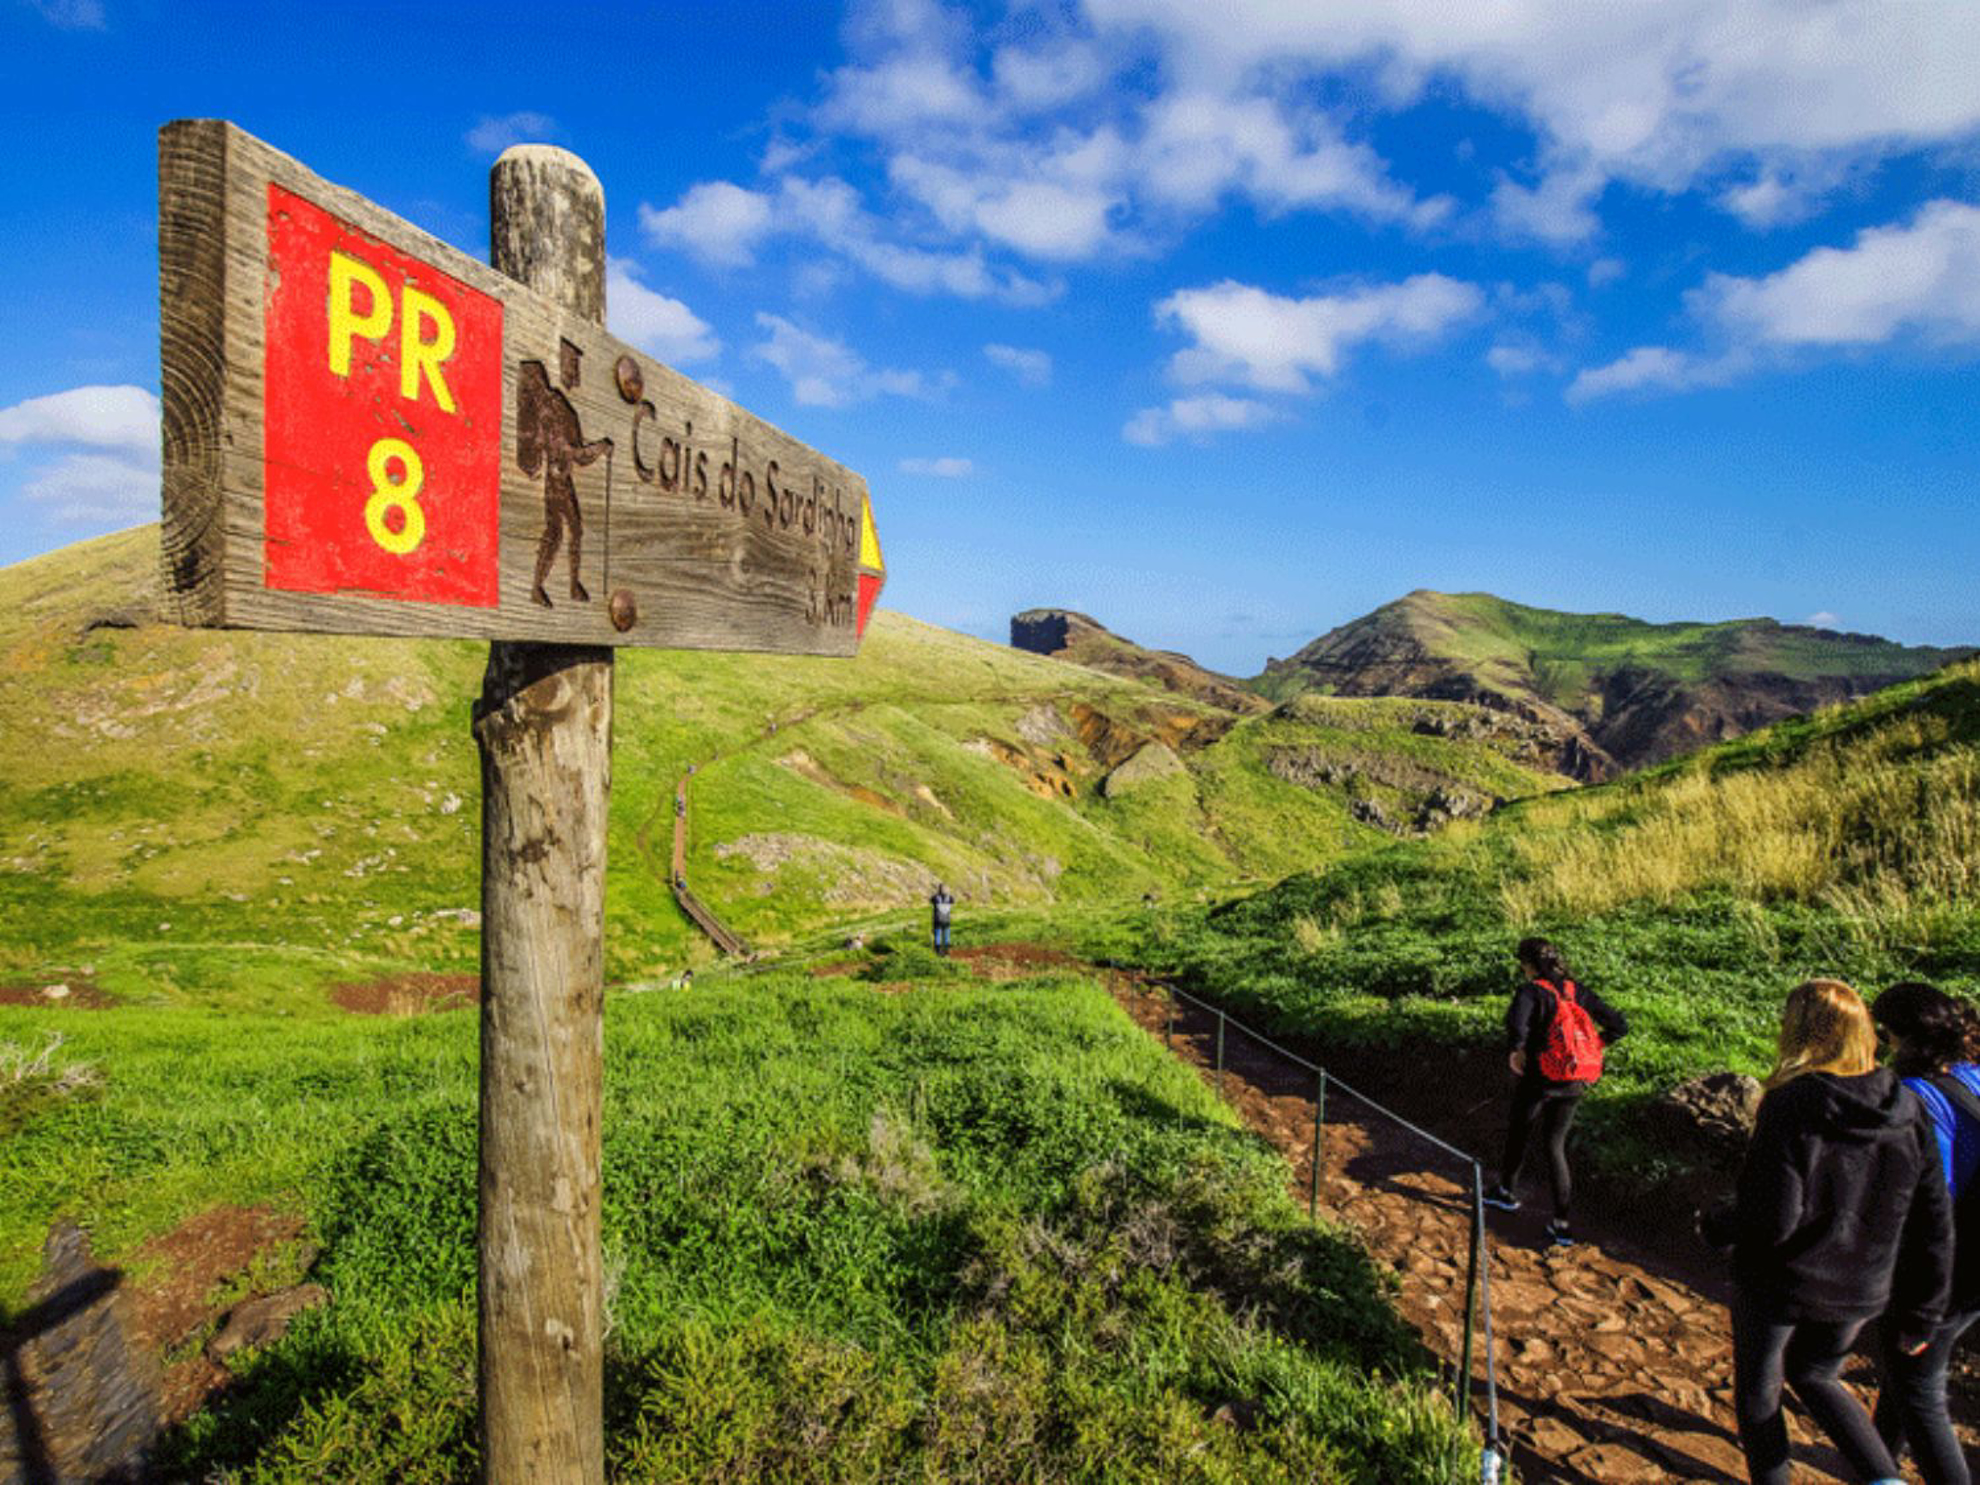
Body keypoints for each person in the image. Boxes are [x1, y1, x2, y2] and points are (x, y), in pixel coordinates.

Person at [1699, 979, 1951, 1485]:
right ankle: (1886, 1479)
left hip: (1783, 1282)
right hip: (1863, 1286)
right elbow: (1933, 1217)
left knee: (1759, 1396)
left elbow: (1774, 1219)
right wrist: (1925, 1311)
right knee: (1818, 1374)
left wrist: (1719, 1225)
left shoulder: (1792, 1104)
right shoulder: (1906, 1105)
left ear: (1800, 1032)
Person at [1869, 982, 1980, 1485]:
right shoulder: (1974, 1076)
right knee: (1904, 1367)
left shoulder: (1915, 1096)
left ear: (1900, 1036)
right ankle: (1874, 1463)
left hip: (1949, 1264)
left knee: (1919, 1386)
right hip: (1974, 1260)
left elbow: (1930, 1198)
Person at [1482, 937, 1627, 1247]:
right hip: (1575, 1078)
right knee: (1555, 1146)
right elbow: (1619, 1025)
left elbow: (1516, 1025)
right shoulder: (1578, 991)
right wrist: (1595, 1046)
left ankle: (1506, 1192)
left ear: (1528, 965)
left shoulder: (1531, 991)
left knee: (1519, 1131)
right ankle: (1561, 1224)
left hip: (1539, 1076)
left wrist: (1517, 1050)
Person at [929, 883, 954, 955]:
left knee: (937, 935)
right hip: (946, 919)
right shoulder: (950, 898)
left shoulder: (935, 897)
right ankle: (947, 950)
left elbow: (931, 900)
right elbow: (953, 902)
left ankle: (938, 951)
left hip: (937, 919)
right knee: (946, 935)